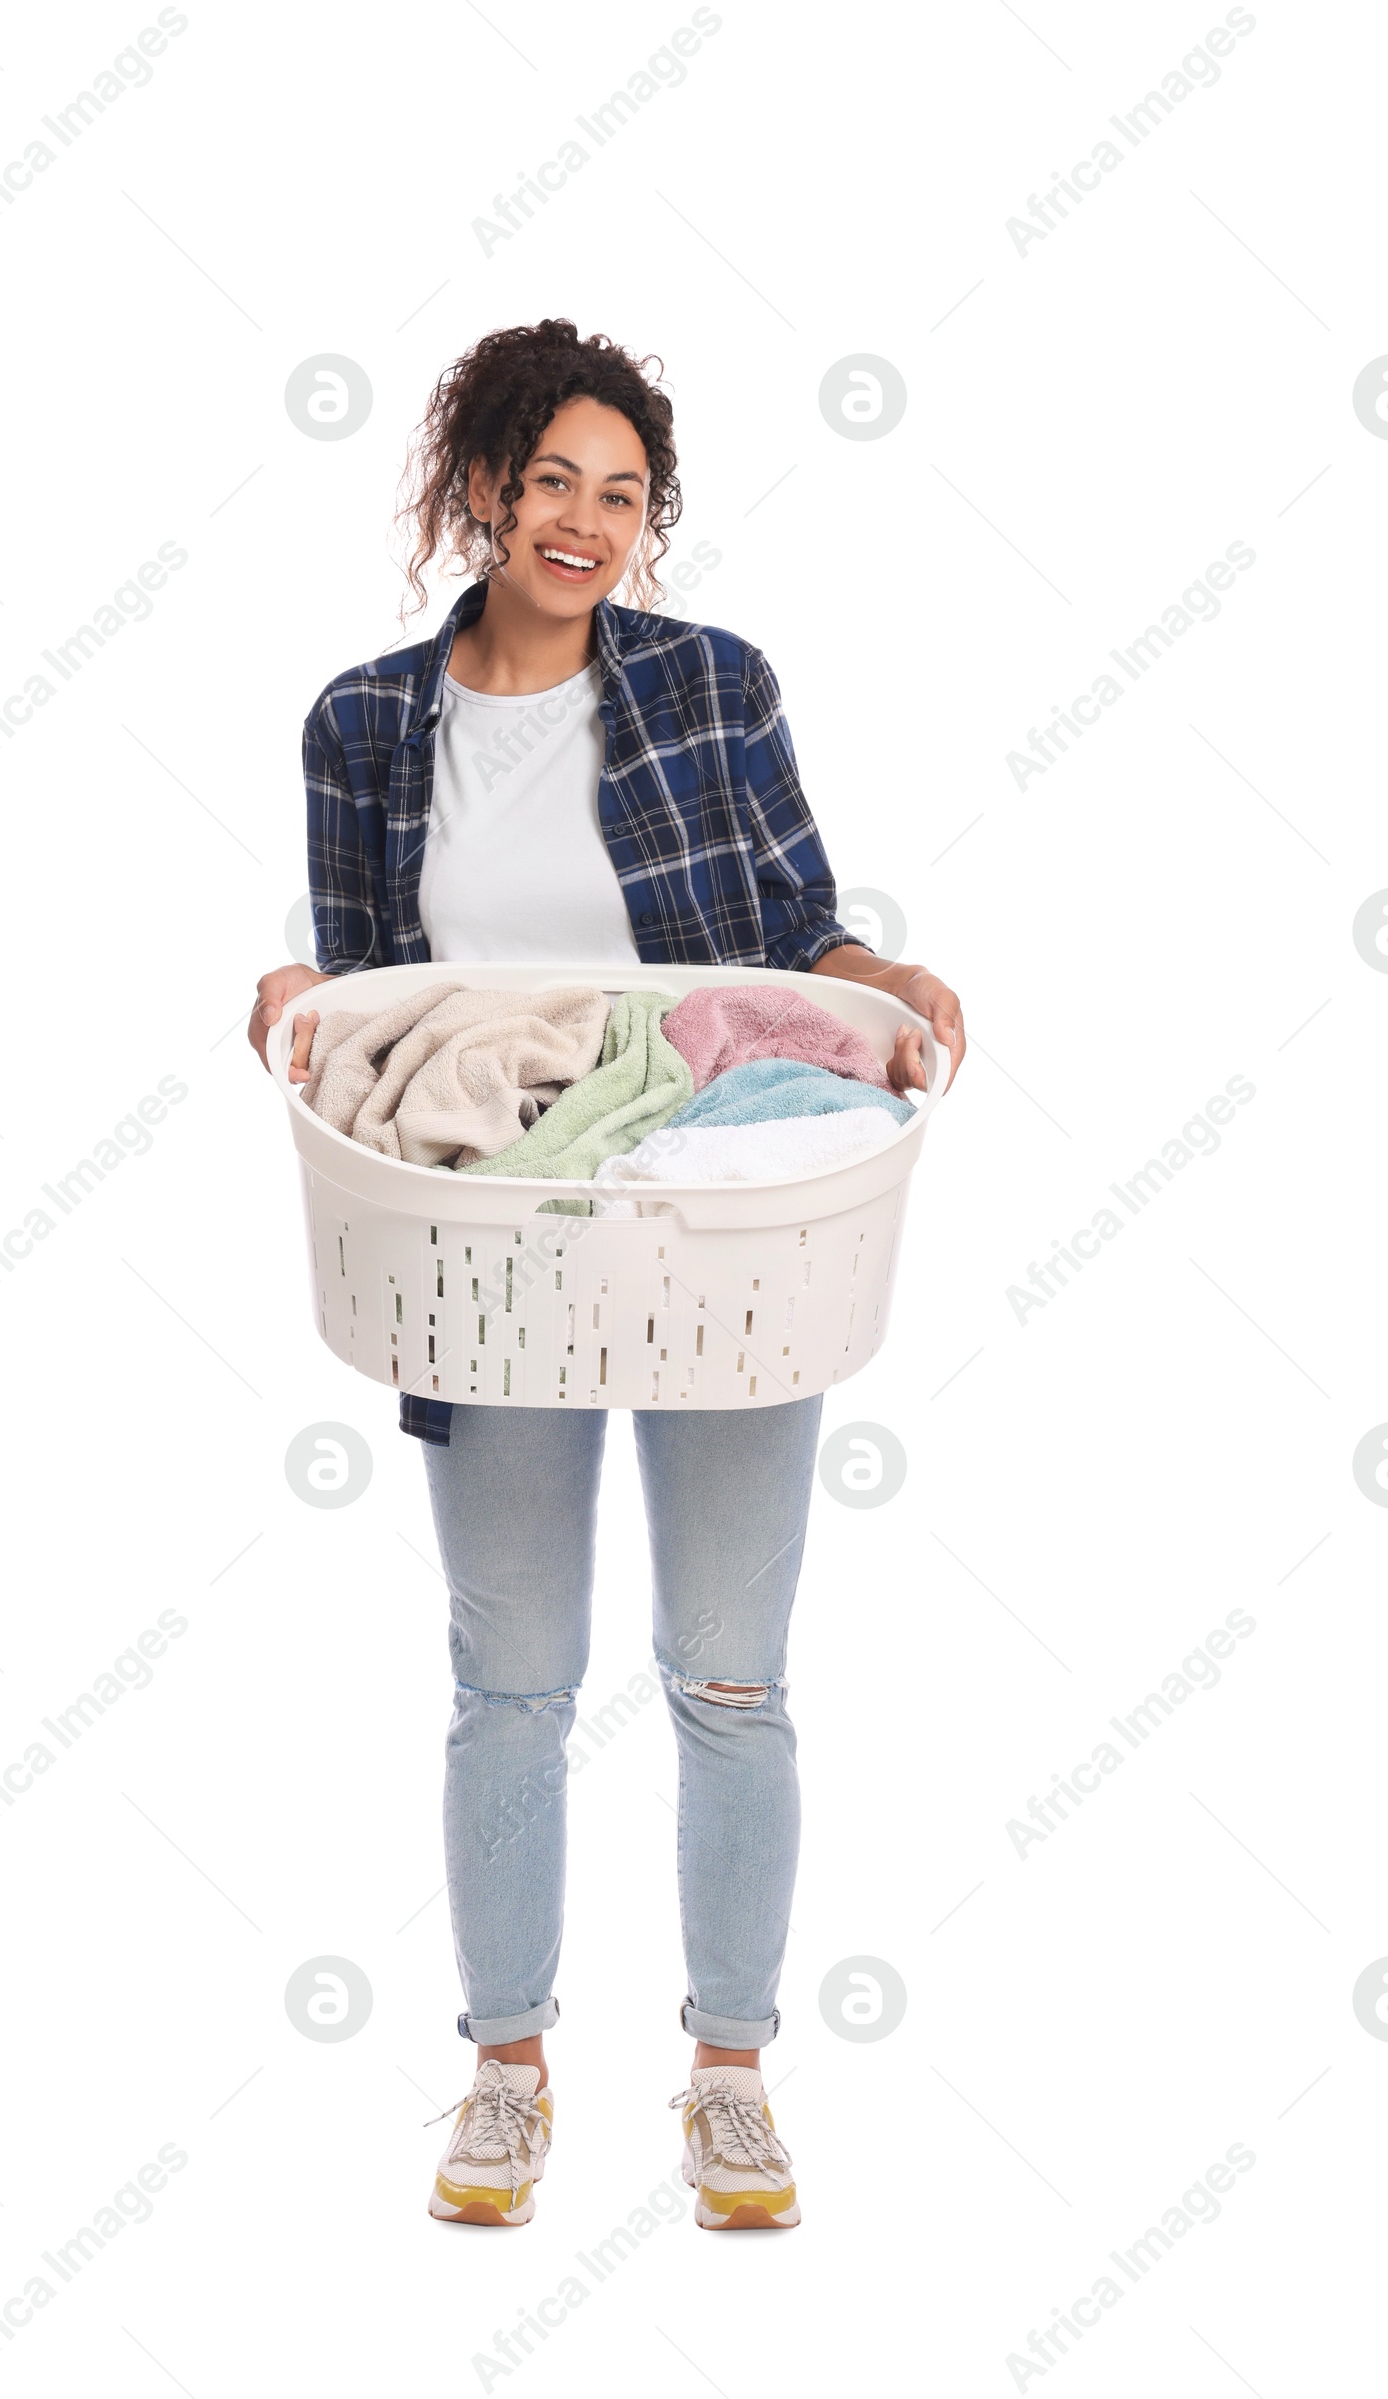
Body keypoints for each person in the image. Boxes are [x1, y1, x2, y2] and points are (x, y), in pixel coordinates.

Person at [251, 318, 965, 2230]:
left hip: (727, 1227)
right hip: (488, 1240)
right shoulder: (362, 725)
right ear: (479, 487)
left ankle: (730, 2076)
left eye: (623, 495)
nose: (584, 523)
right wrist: (300, 1005)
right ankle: (504, 2072)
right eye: (550, 480)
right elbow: (370, 997)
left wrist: (881, 983)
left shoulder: (714, 684)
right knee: (512, 1685)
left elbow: (798, 921)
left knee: (732, 1679)